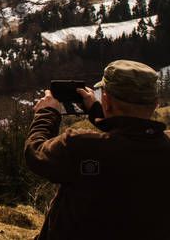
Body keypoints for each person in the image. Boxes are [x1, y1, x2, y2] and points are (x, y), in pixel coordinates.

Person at [24, 60, 170, 239]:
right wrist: (96, 111)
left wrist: (46, 113)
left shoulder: (81, 147)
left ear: (106, 101)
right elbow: (132, 136)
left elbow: (35, 152)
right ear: (155, 104)